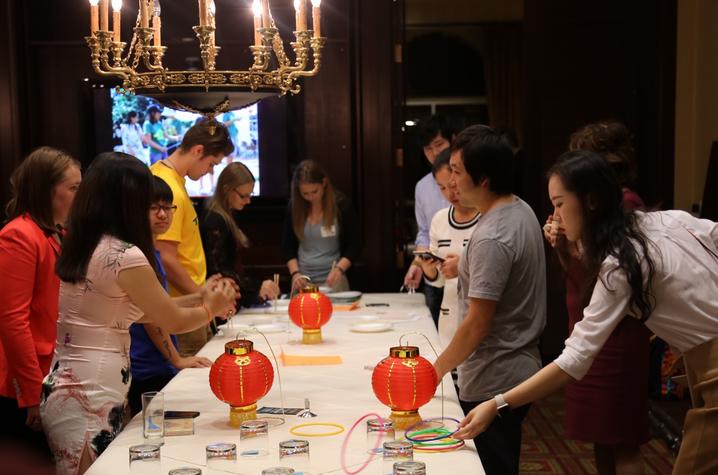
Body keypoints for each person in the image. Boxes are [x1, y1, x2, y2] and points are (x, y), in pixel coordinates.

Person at [456, 150, 718, 475]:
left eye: (559, 203)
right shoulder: (669, 219)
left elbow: (574, 360)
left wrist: (497, 404)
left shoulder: (620, 265)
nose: (555, 216)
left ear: (591, 200)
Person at [40, 152, 236, 475]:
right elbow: (170, 319)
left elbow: (147, 309)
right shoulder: (123, 255)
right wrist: (210, 307)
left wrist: (199, 298)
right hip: (90, 395)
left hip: (73, 388)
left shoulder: (87, 243)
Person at [431, 125, 546, 475]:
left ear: (482, 179)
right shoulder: (519, 208)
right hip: (516, 367)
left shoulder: (493, 235)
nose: (451, 181)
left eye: (457, 171)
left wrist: (434, 371)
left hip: (495, 374)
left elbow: (477, 324)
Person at [544, 120, 650, 474]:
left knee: (623, 442)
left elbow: (610, 275)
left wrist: (570, 242)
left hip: (616, 337)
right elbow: (578, 274)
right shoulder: (584, 210)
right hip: (586, 329)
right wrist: (562, 242)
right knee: (602, 439)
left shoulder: (625, 205)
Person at [0, 147, 81, 457]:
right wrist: (33, 393)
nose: (80, 195)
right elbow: (11, 320)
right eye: (74, 188)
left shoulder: (56, 232)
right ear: (47, 190)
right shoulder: (19, 235)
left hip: (56, 372)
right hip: (29, 381)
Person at [127, 177, 213, 416]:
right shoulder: (139, 255)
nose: (163, 214)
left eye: (168, 207)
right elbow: (154, 315)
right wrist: (177, 359)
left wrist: (200, 296)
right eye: (154, 207)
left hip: (155, 363)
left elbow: (161, 305)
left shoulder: (151, 251)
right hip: (147, 366)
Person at [151, 119, 234, 356]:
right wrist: (204, 296)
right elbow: (165, 256)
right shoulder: (171, 188)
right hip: (183, 307)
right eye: (211, 163)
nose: (210, 171)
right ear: (198, 150)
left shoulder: (167, 177)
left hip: (184, 302)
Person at [414, 149, 480, 346]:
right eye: (441, 188)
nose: (449, 194)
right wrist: (428, 268)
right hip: (449, 317)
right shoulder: (440, 219)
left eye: (452, 185)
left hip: (478, 318)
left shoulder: (487, 217)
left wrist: (463, 266)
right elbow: (440, 282)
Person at [202, 162, 280, 307]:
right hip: (220, 299)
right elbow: (218, 270)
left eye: (250, 195)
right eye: (243, 196)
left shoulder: (226, 215)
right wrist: (257, 286)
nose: (248, 201)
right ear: (226, 190)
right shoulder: (215, 220)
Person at [281, 160, 361, 292]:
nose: (310, 197)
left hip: (334, 278)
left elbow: (355, 244)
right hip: (302, 279)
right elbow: (287, 246)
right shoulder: (294, 207)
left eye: (314, 191)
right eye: (305, 194)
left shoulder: (342, 205)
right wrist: (295, 273)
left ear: (324, 183)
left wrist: (339, 269)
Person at [403, 115, 452, 325]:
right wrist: (417, 264)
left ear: (454, 140)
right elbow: (423, 231)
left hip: (463, 270)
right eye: (427, 149)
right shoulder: (422, 187)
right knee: (435, 331)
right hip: (434, 272)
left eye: (439, 145)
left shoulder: (467, 179)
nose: (434, 153)